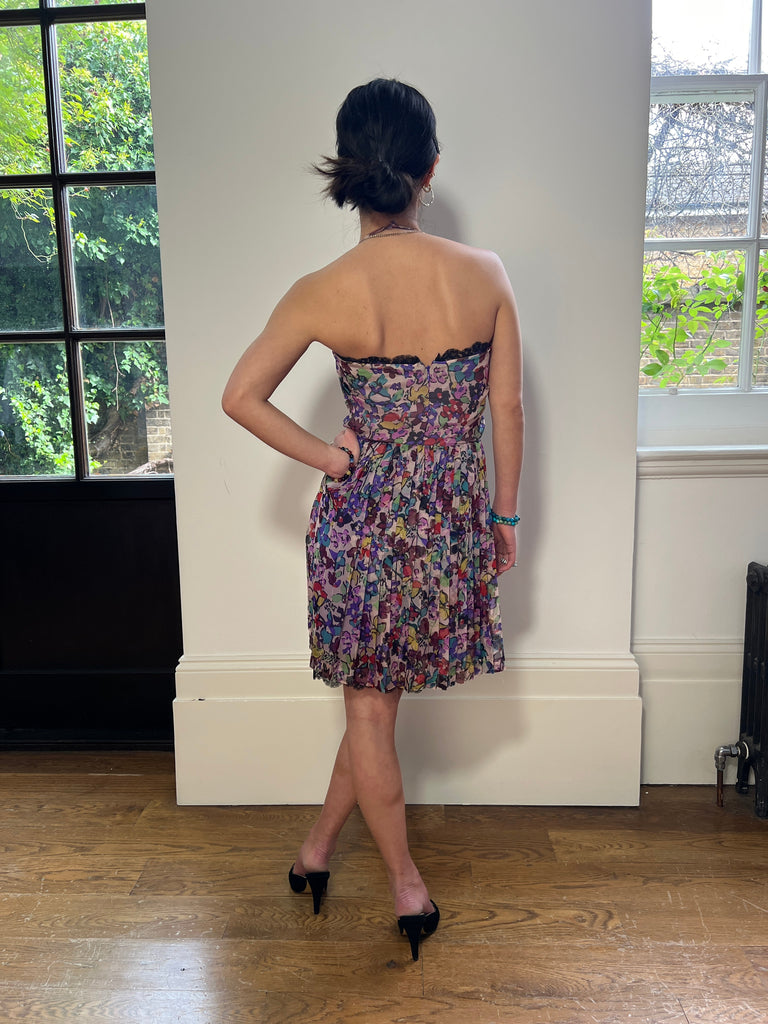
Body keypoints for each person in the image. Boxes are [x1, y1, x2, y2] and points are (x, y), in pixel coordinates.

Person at [222, 78, 523, 961]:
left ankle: (319, 855)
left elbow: (240, 397)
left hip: (361, 529)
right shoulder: (486, 274)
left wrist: (331, 459)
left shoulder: (323, 290)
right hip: (446, 525)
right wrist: (503, 516)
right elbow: (507, 410)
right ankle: (400, 883)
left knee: (369, 707)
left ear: (349, 172)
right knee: (374, 709)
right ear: (431, 169)